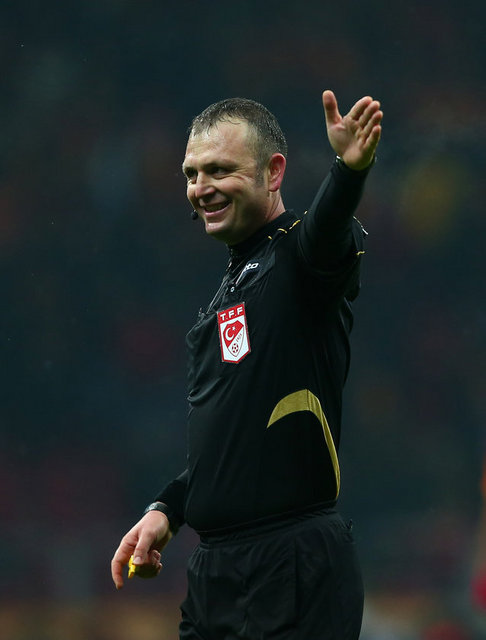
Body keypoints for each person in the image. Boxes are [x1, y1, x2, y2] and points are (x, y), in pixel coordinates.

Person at [111, 89, 383, 639]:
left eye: (220, 170)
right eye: (192, 174)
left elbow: (327, 229)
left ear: (273, 172)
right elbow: (237, 439)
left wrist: (348, 171)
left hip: (291, 563)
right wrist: (168, 509)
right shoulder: (234, 286)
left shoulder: (302, 260)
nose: (201, 188)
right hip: (217, 572)